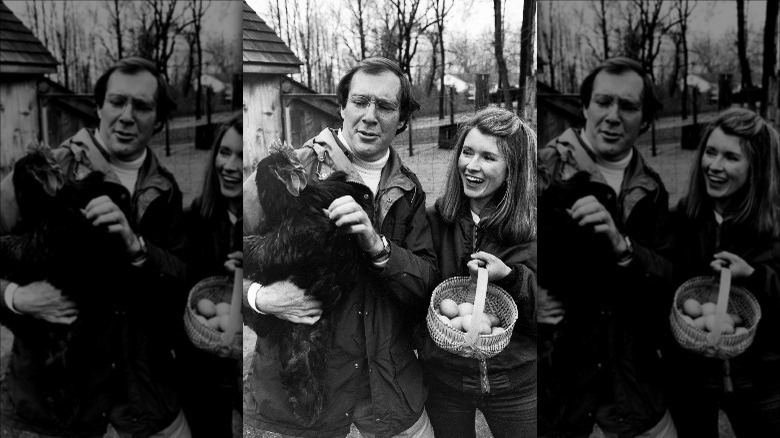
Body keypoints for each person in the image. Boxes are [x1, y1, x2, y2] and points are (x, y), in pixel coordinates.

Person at [242, 57, 439, 437]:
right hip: (301, 389)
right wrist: (258, 298)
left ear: (401, 119)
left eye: (384, 106)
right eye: (360, 101)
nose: (369, 115)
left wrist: (379, 247)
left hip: (387, 390)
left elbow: (427, 283)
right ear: (342, 106)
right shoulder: (285, 171)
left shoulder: (408, 190)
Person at [0, 57, 191, 437]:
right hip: (47, 402)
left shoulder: (165, 189)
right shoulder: (42, 172)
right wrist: (15, 297)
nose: (126, 116)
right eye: (117, 101)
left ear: (159, 118)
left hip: (139, 397)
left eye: (141, 106)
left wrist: (139, 248)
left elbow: (183, 277)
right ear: (98, 106)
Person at [537, 57, 676, 437]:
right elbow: (500, 250)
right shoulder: (543, 170)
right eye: (603, 102)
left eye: (628, 106)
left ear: (645, 119)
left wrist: (624, 246)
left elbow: (669, 276)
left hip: (637, 388)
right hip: (565, 392)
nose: (613, 116)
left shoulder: (651, 187)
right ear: (584, 107)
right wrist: (529, 294)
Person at [417, 107, 538, 437]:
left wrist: (511, 278)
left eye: (488, 157)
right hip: (445, 384)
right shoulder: (433, 221)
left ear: (513, 169)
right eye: (467, 152)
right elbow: (413, 291)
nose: (471, 166)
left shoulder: (532, 231)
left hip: (516, 384)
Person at [663, 108, 780, 437]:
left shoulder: (773, 227)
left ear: (756, 167)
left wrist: (753, 275)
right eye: (710, 152)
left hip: (761, 380)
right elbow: (663, 280)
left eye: (731, 157)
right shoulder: (682, 219)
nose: (714, 166)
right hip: (691, 379)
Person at [177, 113, 243, 437]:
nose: (229, 165)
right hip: (203, 370)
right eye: (225, 151)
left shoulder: (267, 222)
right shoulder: (192, 220)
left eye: (242, 156)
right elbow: (182, 292)